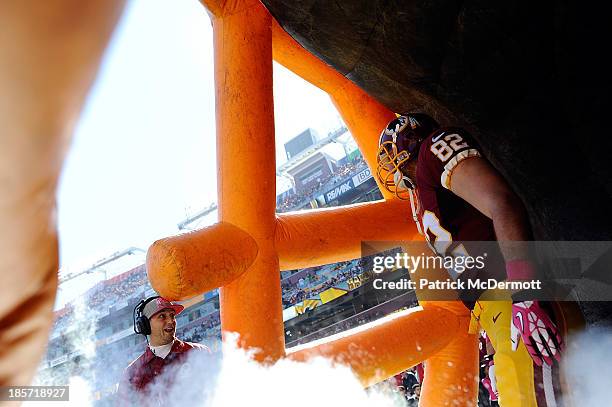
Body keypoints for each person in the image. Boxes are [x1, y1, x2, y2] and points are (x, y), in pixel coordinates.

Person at [376, 113, 562, 406]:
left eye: (393, 153)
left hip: (516, 298)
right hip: (499, 310)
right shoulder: (425, 190)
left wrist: (526, 295)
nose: (395, 167)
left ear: (411, 140)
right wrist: (491, 350)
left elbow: (502, 204)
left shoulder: (431, 151)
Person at [117, 296, 210, 406]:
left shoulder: (199, 352)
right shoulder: (130, 374)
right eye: (162, 316)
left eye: (172, 315)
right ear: (145, 325)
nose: (171, 321)